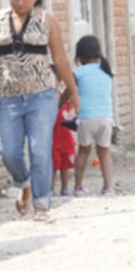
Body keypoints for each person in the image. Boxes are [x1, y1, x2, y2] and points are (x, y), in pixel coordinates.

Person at [0, 0, 79, 222]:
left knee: (40, 150)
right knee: (10, 153)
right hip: (10, 98)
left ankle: (41, 205)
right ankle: (23, 183)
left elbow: (59, 58)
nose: (19, 1)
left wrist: (73, 92)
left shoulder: (46, 20)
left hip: (42, 96)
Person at [64, 35, 115, 197]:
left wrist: (58, 105)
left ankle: (78, 187)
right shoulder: (107, 71)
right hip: (105, 118)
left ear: (79, 56)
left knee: (84, 152)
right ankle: (108, 187)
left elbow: (68, 93)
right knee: (104, 152)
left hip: (86, 118)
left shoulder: (78, 73)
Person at [51, 67, 76, 197]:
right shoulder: (45, 100)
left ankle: (65, 187)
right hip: (53, 138)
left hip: (65, 137)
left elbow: (72, 106)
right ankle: (50, 187)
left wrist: (72, 112)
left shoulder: (63, 96)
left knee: (65, 165)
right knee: (53, 165)